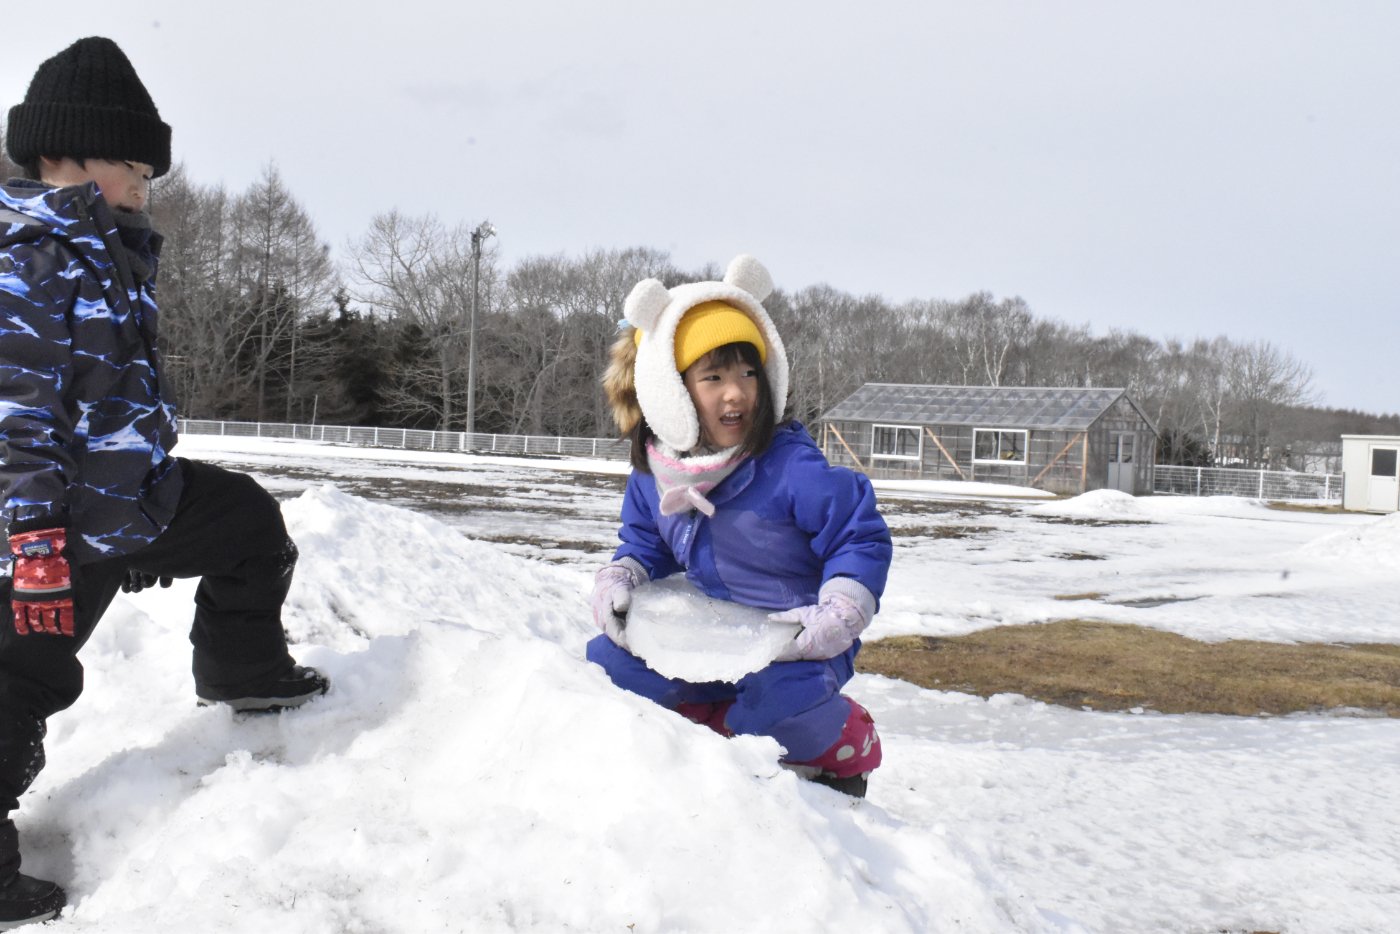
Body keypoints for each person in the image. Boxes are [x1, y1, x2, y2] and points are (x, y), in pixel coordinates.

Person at [0, 36, 328, 926]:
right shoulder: (28, 257)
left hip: (134, 497)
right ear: (65, 154)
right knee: (19, 679)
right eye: (133, 166)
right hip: (57, 524)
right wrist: (35, 543)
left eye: (150, 171)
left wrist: (148, 498)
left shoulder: (109, 248)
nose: (145, 184)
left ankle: (244, 672)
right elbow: (19, 417)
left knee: (251, 525)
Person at [586, 255, 891, 798]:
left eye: (748, 373)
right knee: (608, 666)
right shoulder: (657, 474)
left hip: (796, 637)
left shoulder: (790, 468)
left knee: (777, 705)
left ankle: (847, 740)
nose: (737, 392)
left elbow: (857, 534)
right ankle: (716, 723)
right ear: (673, 391)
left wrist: (840, 611)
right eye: (714, 377)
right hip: (714, 630)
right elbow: (646, 541)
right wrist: (623, 576)